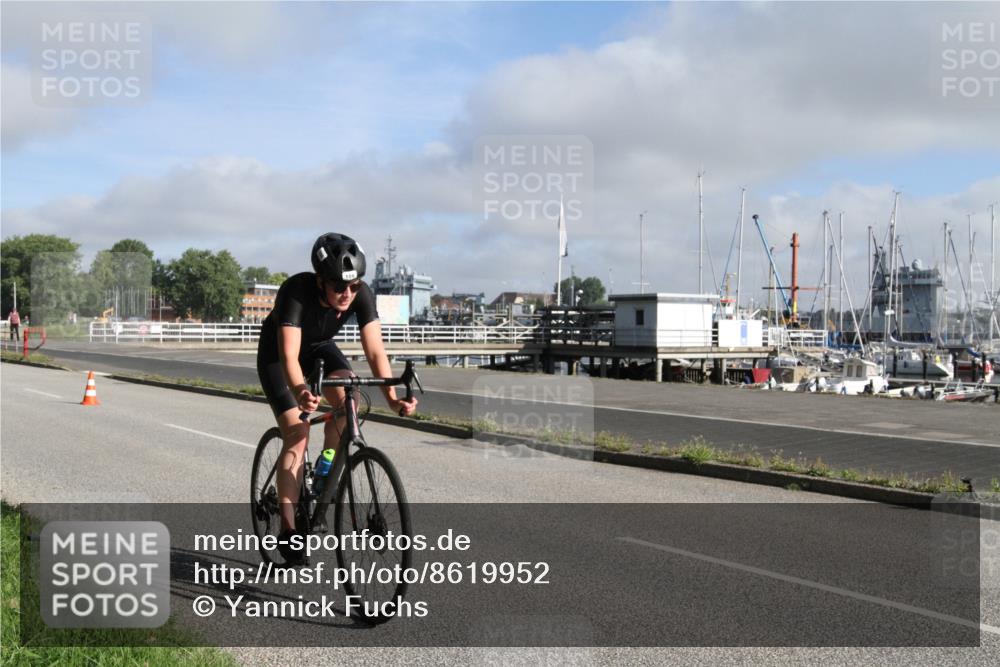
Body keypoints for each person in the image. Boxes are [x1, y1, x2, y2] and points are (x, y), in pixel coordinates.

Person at [256, 233, 417, 565]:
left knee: (351, 398)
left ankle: (326, 470)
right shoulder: (296, 291)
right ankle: (288, 529)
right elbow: (289, 357)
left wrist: (392, 397)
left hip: (319, 350)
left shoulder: (360, 294)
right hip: (278, 357)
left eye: (354, 286)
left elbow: (375, 350)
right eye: (339, 287)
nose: (348, 294)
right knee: (298, 434)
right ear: (320, 281)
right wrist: (300, 391)